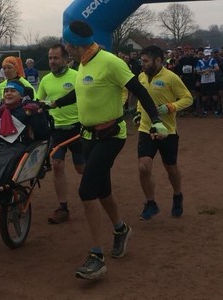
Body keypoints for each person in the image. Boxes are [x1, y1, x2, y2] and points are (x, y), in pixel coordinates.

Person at [52, 20, 167, 280]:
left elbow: (139, 91)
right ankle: (120, 228)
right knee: (102, 190)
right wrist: (54, 103)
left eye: (68, 46)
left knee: (86, 190)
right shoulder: (82, 64)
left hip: (111, 137)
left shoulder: (110, 62)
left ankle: (96, 255)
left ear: (75, 45)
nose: (66, 50)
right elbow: (81, 94)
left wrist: (156, 121)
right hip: (88, 136)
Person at [136, 46, 193, 221]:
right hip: (146, 128)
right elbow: (141, 98)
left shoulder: (171, 78)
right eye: (142, 61)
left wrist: (170, 107)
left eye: (146, 61)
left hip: (167, 131)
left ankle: (177, 195)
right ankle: (150, 203)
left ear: (159, 60)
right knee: (143, 167)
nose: (142, 64)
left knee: (170, 167)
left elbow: (188, 98)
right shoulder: (141, 77)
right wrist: (139, 113)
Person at [36, 44, 84, 225]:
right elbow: (39, 101)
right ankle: (63, 208)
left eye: (56, 58)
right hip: (56, 131)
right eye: (50, 58)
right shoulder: (46, 80)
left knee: (82, 168)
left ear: (66, 59)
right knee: (56, 164)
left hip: (78, 129)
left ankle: (97, 193)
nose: (52, 62)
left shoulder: (77, 76)